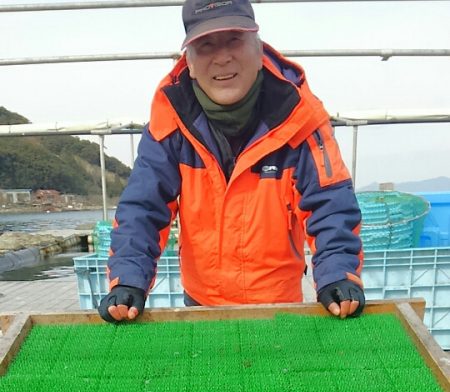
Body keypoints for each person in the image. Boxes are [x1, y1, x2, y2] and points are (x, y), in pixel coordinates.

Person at [99, 0, 365, 324]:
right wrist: (128, 278)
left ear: (258, 47)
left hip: (280, 307)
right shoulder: (169, 124)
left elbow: (330, 204)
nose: (222, 57)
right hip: (200, 305)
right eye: (206, 44)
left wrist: (337, 274)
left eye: (234, 39)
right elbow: (143, 207)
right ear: (190, 63)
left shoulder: (303, 119)